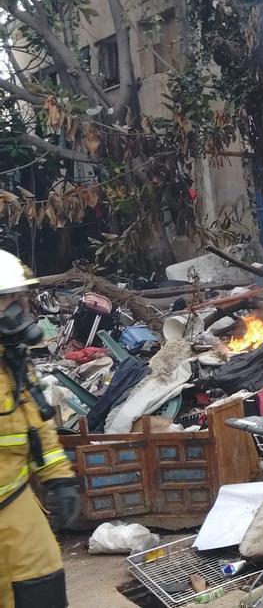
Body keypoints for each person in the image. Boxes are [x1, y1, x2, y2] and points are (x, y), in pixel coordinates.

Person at [0, 251, 79, 608]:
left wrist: (59, 479)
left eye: (20, 297)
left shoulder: (12, 361)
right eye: (6, 299)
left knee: (43, 581)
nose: (18, 308)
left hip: (13, 499)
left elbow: (36, 425)